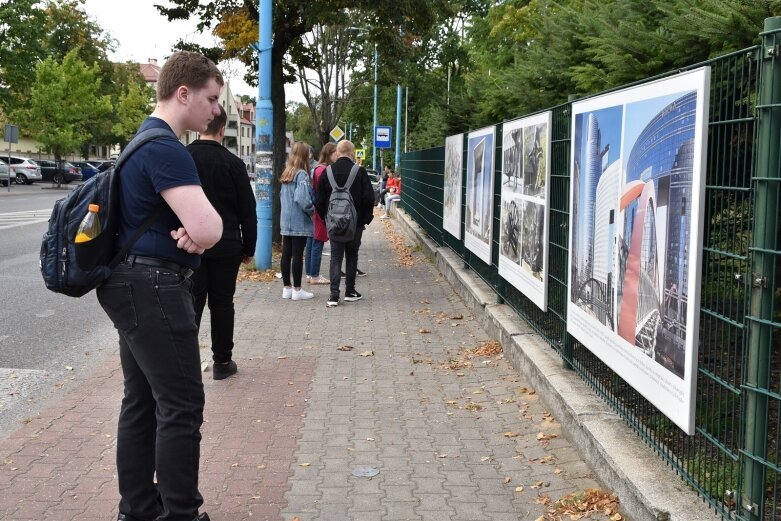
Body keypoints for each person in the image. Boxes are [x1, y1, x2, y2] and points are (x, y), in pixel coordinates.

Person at [96, 51, 224, 521]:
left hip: (128, 282)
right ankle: (181, 514)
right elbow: (210, 228)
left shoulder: (139, 142)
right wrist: (200, 234)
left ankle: (139, 509)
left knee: (143, 400)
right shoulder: (165, 147)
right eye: (211, 99)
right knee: (182, 403)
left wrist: (195, 232)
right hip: (153, 286)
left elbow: (197, 226)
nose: (215, 111)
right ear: (183, 93)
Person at [187, 104, 257, 381]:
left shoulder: (184, 157)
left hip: (190, 245)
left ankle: (187, 362)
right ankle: (222, 362)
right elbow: (247, 211)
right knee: (222, 304)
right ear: (222, 129)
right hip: (227, 244)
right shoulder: (234, 164)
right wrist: (248, 248)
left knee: (191, 303)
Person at [315, 140, 374, 307]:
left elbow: (319, 201)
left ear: (338, 152)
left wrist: (327, 219)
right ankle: (350, 291)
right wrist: (363, 220)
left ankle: (334, 295)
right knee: (352, 255)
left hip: (333, 224)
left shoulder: (327, 172)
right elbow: (369, 198)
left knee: (335, 257)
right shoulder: (360, 172)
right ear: (352, 153)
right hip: (354, 225)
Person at [280, 141, 315, 300]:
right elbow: (302, 198)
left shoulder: (287, 172)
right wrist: (311, 211)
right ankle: (297, 290)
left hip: (286, 219)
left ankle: (287, 288)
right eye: (308, 152)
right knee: (297, 255)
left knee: (286, 254)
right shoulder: (302, 174)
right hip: (299, 220)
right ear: (304, 155)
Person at [306, 142, 337, 285]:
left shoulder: (316, 168)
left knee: (312, 242)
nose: (338, 155)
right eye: (335, 153)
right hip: (320, 210)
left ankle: (309, 273)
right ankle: (315, 275)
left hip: (314, 209)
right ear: (329, 154)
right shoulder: (323, 170)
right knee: (317, 242)